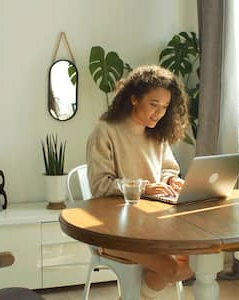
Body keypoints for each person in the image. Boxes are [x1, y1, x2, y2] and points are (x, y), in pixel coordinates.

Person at [86, 65, 193, 299]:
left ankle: (136, 296)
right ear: (134, 99)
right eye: (153, 105)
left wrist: (171, 180)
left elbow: (167, 168)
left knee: (193, 263)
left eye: (165, 107)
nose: (159, 113)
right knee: (173, 268)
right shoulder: (105, 131)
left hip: (152, 225)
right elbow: (100, 186)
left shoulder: (157, 131)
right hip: (112, 231)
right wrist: (144, 187)